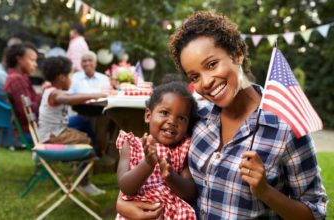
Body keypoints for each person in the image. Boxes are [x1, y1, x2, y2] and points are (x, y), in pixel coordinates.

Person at [116, 12, 328, 219]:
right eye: (195, 76)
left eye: (211, 64)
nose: (206, 82)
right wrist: (123, 203)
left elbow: (315, 213)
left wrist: (265, 191)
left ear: (237, 54)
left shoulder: (285, 128)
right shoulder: (196, 117)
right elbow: (153, 167)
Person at [116, 81, 198, 219]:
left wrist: (171, 177)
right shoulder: (132, 145)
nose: (172, 121)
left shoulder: (182, 150)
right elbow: (126, 187)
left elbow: (190, 193)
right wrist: (147, 164)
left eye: (181, 118)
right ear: (148, 115)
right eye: (165, 112)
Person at [38, 56, 106, 196]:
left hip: (55, 134)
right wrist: (94, 95)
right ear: (62, 77)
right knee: (88, 143)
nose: (72, 78)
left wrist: (92, 95)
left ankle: (84, 171)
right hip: (53, 137)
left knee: (86, 139)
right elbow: (67, 99)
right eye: (70, 75)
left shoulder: (53, 90)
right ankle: (84, 181)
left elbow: (71, 95)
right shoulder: (55, 93)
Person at [68, 51, 112, 156]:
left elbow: (108, 93)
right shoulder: (75, 78)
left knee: (106, 121)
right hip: (79, 110)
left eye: (90, 60)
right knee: (85, 121)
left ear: (95, 63)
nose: (87, 63)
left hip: (101, 110)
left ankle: (100, 149)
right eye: (84, 61)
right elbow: (69, 94)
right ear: (80, 64)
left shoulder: (104, 78)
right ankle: (94, 149)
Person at [3, 42, 41, 144]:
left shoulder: (21, 77)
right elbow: (29, 113)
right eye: (32, 60)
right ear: (19, 59)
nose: (35, 64)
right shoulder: (16, 79)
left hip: (31, 129)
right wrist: (42, 93)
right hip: (27, 133)